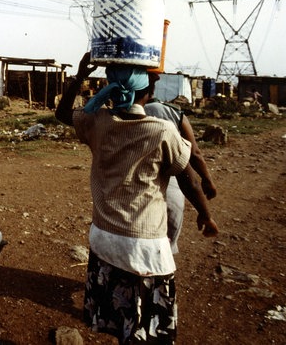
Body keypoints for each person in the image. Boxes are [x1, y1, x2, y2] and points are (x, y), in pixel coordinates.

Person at [55, 53, 219, 344]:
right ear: (147, 95)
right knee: (147, 326)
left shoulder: (98, 123)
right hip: (145, 247)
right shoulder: (162, 130)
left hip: (104, 238)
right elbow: (189, 179)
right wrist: (205, 214)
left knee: (120, 316)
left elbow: (62, 114)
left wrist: (80, 76)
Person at [144, 74, 217, 253]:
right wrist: (207, 179)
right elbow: (194, 153)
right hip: (171, 184)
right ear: (154, 88)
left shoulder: (123, 113)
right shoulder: (173, 113)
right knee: (166, 242)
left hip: (136, 184)